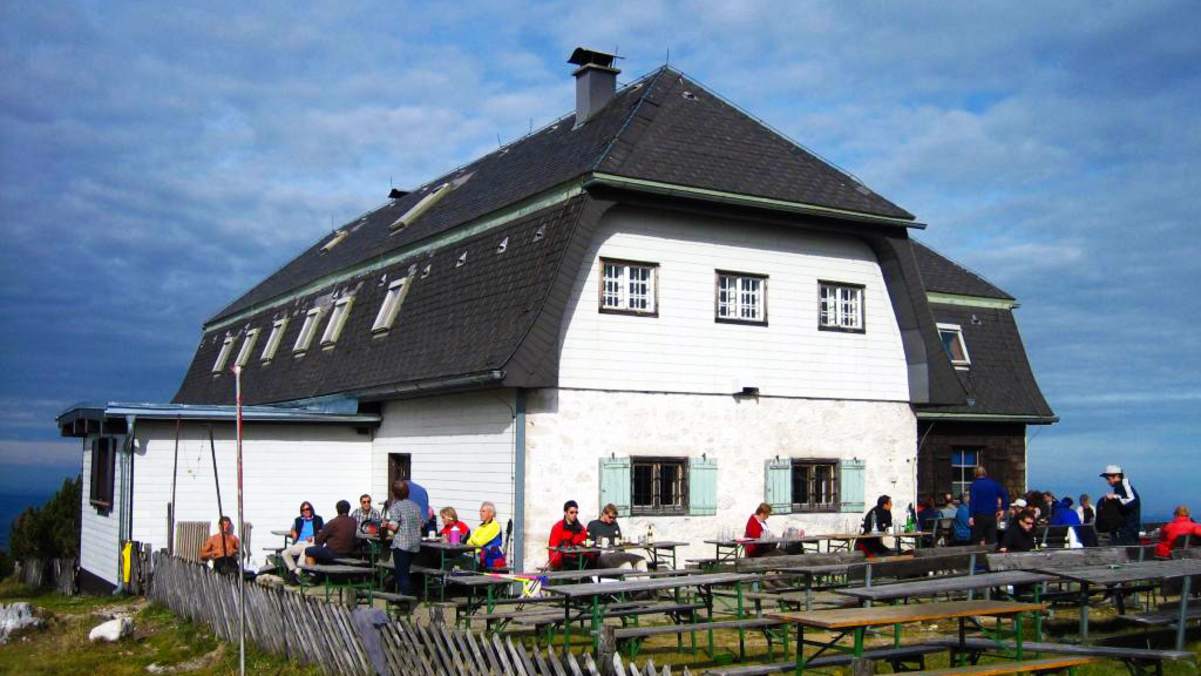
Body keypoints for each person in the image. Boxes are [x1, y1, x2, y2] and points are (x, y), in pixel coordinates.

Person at [385, 480, 424, 596]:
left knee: (402, 573)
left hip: (402, 544)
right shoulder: (416, 506)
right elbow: (421, 524)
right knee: (407, 571)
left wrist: (385, 524)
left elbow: (394, 528)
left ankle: (404, 601)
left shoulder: (396, 507)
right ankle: (410, 594)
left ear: (394, 493)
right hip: (415, 544)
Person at [587, 503, 647, 571]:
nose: (612, 519)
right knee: (626, 564)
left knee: (641, 560)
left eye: (614, 518)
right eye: (610, 517)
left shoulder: (615, 525)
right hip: (603, 556)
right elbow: (589, 545)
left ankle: (646, 581)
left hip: (618, 554)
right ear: (603, 513)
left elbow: (619, 542)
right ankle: (631, 581)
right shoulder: (593, 525)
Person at [306, 500, 358, 564]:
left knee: (308, 550)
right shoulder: (353, 522)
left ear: (337, 510)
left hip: (334, 553)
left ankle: (314, 572)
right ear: (349, 509)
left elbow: (319, 539)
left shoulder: (333, 522)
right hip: (348, 552)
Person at [1100, 465, 1141, 545]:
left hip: (1129, 530)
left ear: (1117, 476)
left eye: (1108, 479)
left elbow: (1132, 500)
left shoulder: (1124, 486)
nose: (1108, 482)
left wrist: (1114, 497)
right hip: (1123, 529)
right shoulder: (1118, 488)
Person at [968, 466, 1009, 545]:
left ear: (975, 474)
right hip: (992, 515)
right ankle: (991, 555)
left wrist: (971, 516)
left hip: (978, 515)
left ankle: (978, 557)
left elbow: (972, 501)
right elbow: (1004, 495)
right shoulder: (994, 484)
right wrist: (1003, 509)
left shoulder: (974, 485)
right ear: (985, 473)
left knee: (976, 540)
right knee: (991, 539)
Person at [282, 501, 324, 577]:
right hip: (299, 542)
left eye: (307, 509)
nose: (305, 511)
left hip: (311, 542)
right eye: (303, 510)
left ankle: (296, 575)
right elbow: (292, 529)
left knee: (304, 552)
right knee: (285, 553)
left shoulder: (318, 519)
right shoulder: (298, 520)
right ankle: (293, 571)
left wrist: (312, 536)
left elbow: (322, 531)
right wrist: (293, 532)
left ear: (311, 509)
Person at [547, 500, 588, 570]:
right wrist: (556, 563)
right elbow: (553, 547)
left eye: (576, 512)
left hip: (578, 558)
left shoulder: (581, 528)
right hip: (563, 559)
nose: (574, 515)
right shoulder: (557, 527)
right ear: (565, 513)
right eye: (571, 512)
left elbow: (585, 542)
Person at [465, 501, 506, 570]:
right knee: (456, 561)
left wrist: (473, 538)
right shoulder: (481, 526)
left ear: (491, 513)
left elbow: (480, 543)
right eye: (480, 511)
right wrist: (474, 539)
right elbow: (468, 542)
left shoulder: (494, 525)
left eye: (483, 511)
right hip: (476, 554)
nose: (480, 514)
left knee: (463, 564)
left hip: (488, 558)